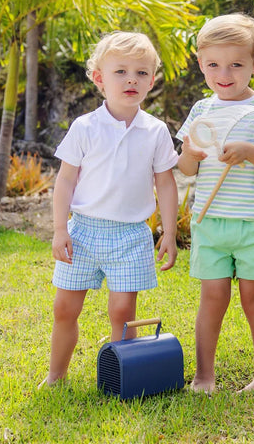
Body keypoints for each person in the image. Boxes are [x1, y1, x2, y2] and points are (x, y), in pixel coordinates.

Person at [42, 31, 179, 387]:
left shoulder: (156, 131)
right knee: (64, 309)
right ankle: (56, 376)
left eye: (141, 72)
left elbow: (165, 183)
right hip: (83, 232)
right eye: (120, 71)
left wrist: (170, 231)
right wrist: (60, 229)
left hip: (131, 236)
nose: (131, 79)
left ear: (151, 80)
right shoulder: (85, 127)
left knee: (122, 312)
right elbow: (65, 182)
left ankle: (121, 379)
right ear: (99, 78)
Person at [176, 13, 254, 393]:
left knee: (253, 299)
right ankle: (203, 377)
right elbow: (186, 167)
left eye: (236, 64)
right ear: (200, 64)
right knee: (212, 298)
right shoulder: (201, 111)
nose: (223, 74)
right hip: (210, 222)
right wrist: (192, 153)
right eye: (213, 64)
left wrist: (249, 151)